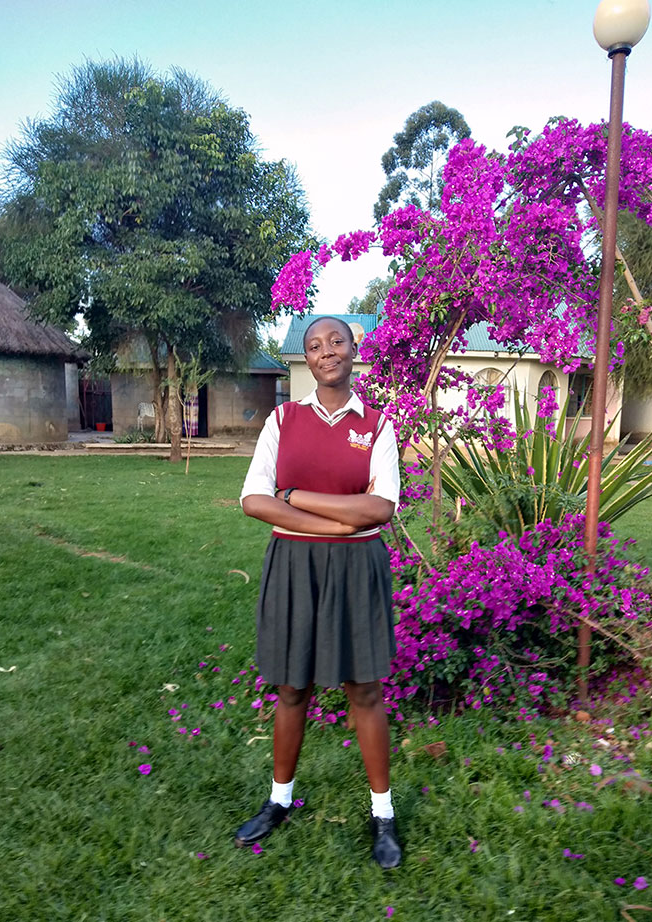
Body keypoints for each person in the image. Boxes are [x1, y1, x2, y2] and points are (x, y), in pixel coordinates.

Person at [235, 316, 402, 869]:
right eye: (314, 345)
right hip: (294, 566)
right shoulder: (281, 420)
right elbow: (255, 499)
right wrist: (333, 525)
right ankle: (279, 801)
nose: (326, 351)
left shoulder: (378, 426)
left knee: (366, 691)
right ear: (305, 359)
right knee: (291, 689)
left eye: (336, 342)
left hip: (359, 570)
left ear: (354, 351)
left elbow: (380, 508)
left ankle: (383, 814)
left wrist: (297, 495)